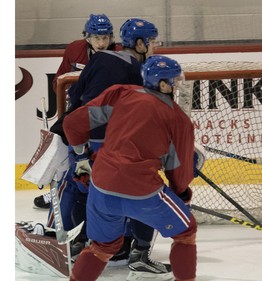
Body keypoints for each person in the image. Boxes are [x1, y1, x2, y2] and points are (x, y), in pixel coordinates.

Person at [45, 18, 171, 275]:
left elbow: (77, 96)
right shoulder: (141, 72)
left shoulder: (99, 60)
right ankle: (138, 253)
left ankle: (75, 245)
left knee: (79, 191)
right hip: (113, 147)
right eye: (153, 41)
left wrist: (79, 151)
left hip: (80, 139)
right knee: (140, 193)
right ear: (140, 43)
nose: (156, 46)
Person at [64, 55, 197, 281]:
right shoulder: (178, 119)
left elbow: (72, 123)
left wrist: (81, 158)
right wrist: (181, 193)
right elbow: (178, 169)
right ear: (163, 84)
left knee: (103, 247)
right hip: (143, 192)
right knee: (186, 232)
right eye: (174, 80)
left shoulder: (121, 93)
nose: (177, 85)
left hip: (102, 186)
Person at [34, 13, 119, 209]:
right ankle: (56, 188)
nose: (101, 42)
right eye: (97, 37)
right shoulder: (74, 49)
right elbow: (59, 79)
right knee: (61, 144)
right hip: (80, 109)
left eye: (105, 37)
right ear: (87, 37)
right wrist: (67, 93)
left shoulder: (118, 54)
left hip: (105, 114)